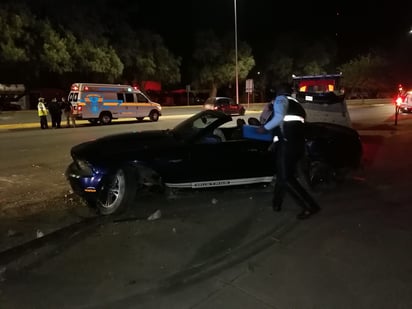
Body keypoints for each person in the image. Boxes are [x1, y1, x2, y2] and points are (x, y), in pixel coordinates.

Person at [257, 82, 320, 220]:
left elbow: (279, 118)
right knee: (282, 174)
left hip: (286, 145)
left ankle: (310, 206)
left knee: (286, 177)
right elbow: (287, 125)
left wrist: (264, 128)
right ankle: (276, 203)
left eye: (277, 89)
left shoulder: (281, 99)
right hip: (296, 145)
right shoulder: (297, 104)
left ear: (281, 91)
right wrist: (274, 142)